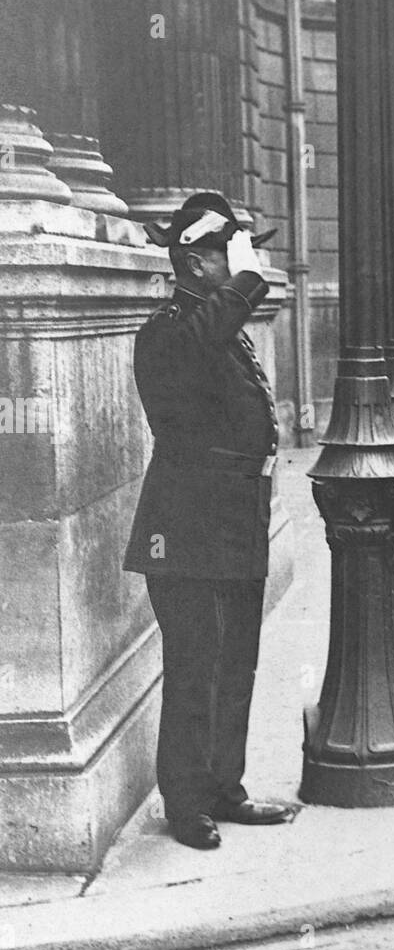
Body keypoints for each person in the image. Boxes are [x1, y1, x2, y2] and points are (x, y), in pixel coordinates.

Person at [124, 192, 293, 850]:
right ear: (196, 261)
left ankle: (225, 789)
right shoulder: (167, 330)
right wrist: (248, 283)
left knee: (235, 664)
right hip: (186, 530)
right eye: (230, 250)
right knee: (195, 668)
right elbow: (196, 352)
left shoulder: (216, 323)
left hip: (234, 522)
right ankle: (185, 802)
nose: (245, 262)